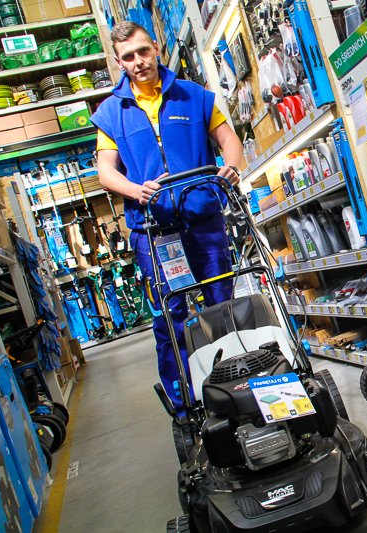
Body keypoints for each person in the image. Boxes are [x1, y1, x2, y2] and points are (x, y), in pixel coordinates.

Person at [91, 21, 244, 412]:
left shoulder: (193, 95)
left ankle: (237, 379)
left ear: (156, 48)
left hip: (202, 219)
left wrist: (230, 166)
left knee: (222, 303)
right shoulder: (112, 113)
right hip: (153, 231)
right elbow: (105, 170)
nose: (138, 62)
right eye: (128, 57)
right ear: (119, 62)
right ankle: (186, 402)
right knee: (169, 314)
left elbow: (228, 139)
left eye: (143, 51)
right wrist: (133, 189)